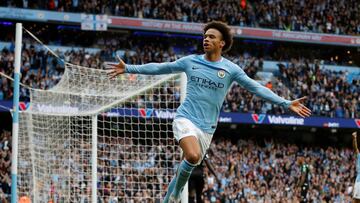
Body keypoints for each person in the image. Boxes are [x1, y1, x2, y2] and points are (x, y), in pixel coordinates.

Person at [107, 21, 312, 203]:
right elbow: (162, 67)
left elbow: (255, 87)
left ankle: (171, 198)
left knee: (192, 159)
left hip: (207, 128)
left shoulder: (231, 69)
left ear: (221, 43)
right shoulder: (191, 61)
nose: (206, 39)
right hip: (185, 118)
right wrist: (129, 68)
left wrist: (286, 103)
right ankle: (177, 192)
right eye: (205, 36)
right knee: (193, 155)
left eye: (211, 37)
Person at [353, 132, 360, 203]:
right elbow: (355, 148)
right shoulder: (359, 155)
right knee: (356, 201)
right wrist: (354, 138)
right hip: (359, 181)